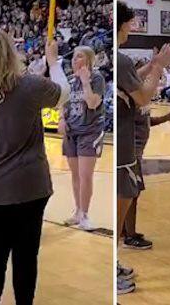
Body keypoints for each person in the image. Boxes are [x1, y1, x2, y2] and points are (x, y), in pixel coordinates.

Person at [0, 28, 70, 305]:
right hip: (28, 185)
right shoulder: (30, 86)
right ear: (9, 51)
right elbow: (64, 94)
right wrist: (53, 62)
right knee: (26, 257)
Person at [115, 1, 170, 295]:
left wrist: (150, 65)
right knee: (123, 199)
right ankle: (111, 268)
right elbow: (144, 97)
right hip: (124, 144)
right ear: (123, 25)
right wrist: (158, 68)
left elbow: (131, 77)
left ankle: (114, 260)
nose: (133, 28)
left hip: (121, 143)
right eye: (131, 23)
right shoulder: (121, 60)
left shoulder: (116, 60)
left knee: (125, 197)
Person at [60, 46, 106, 232]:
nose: (74, 60)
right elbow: (64, 103)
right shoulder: (70, 81)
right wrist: (61, 119)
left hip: (90, 131)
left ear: (88, 60)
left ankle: (85, 215)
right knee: (75, 174)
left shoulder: (97, 79)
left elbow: (93, 102)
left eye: (79, 57)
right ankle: (78, 211)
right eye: (73, 57)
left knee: (85, 175)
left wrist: (86, 81)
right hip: (72, 132)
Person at [122, 102, 170, 249]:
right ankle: (130, 236)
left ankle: (125, 229)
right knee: (132, 193)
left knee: (131, 193)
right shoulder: (131, 99)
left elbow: (145, 122)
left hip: (137, 151)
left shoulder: (142, 100)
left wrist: (165, 118)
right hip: (130, 151)